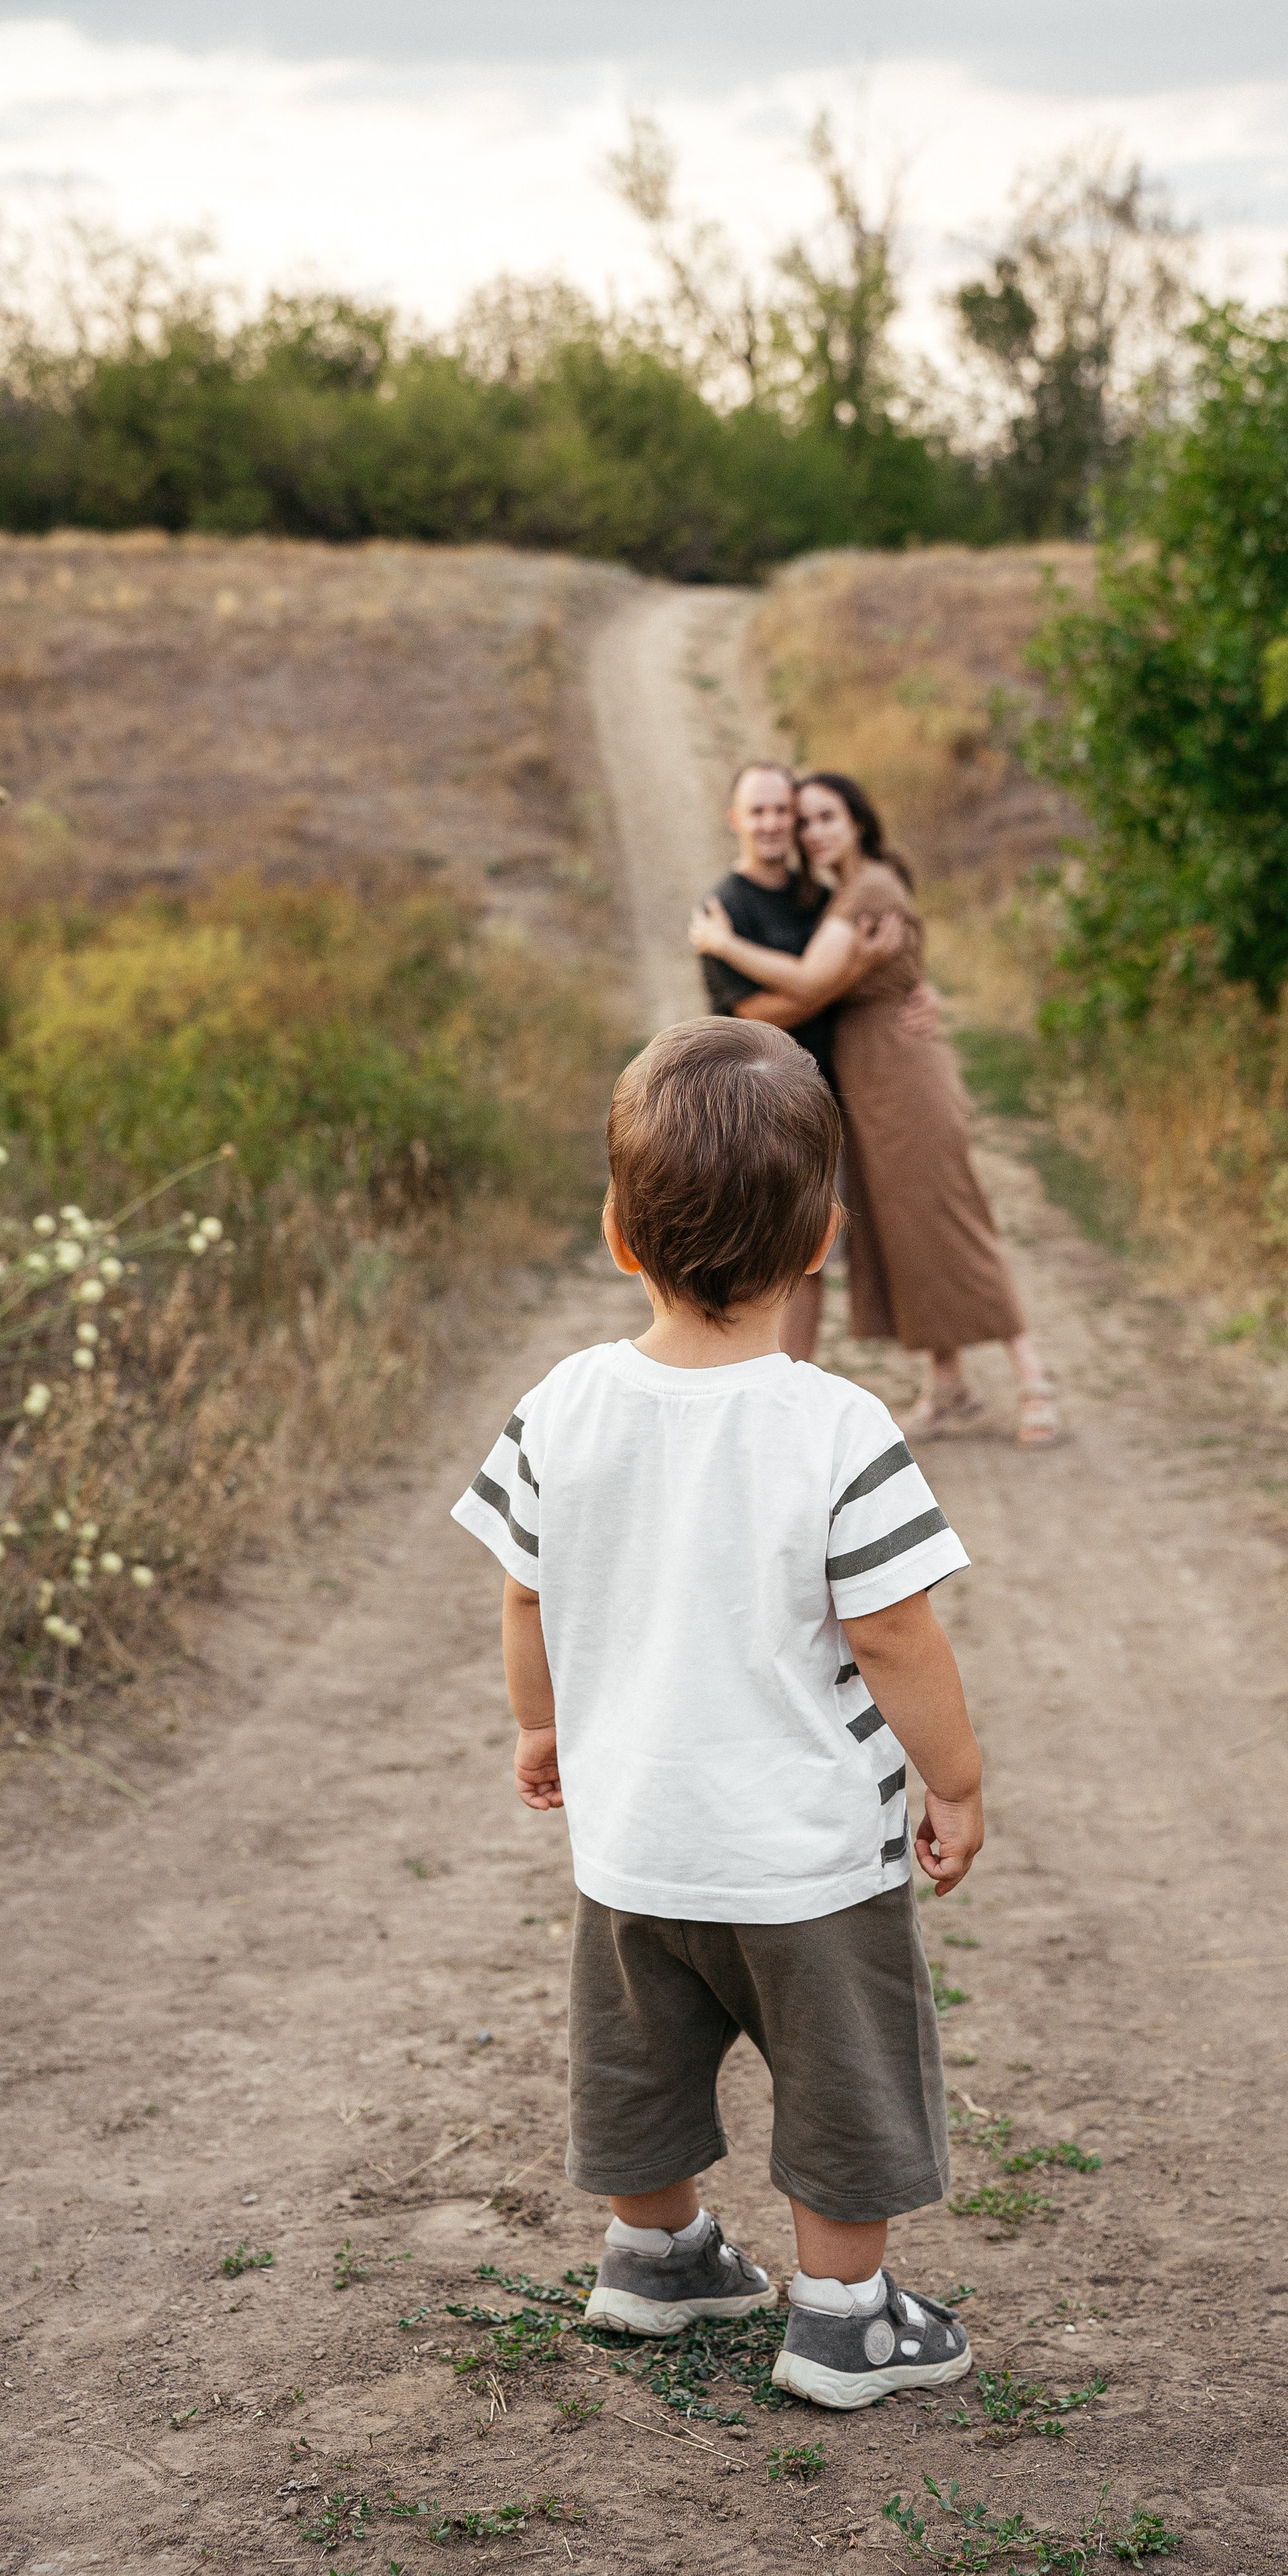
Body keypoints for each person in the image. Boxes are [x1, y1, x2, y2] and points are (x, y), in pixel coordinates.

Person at [451, 1016, 983, 2411]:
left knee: (635, 2057)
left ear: (618, 1235)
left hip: (632, 1841)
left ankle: (654, 2253)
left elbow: (523, 1598)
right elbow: (886, 1628)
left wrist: (539, 1730)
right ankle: (843, 2318)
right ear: (823, 1237)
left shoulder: (561, 1406)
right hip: (804, 1852)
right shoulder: (834, 1426)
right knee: (840, 2073)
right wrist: (959, 1781)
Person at [690, 771, 1059, 1448]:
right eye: (804, 822)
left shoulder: (866, 891)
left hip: (899, 1075)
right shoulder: (826, 895)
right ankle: (947, 1384)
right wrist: (876, 977)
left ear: (858, 822)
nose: (809, 832)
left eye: (823, 818)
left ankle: (1034, 1381)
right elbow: (830, 984)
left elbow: (811, 981)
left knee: (951, 1218)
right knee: (904, 1232)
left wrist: (723, 946)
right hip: (864, 1086)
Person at [698, 761, 928, 1363]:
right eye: (760, 812)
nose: (775, 824)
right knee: (752, 1258)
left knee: (810, 1257)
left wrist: (918, 995)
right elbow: (760, 1016)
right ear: (735, 821)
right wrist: (854, 969)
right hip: (755, 1101)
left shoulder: (820, 898)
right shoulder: (725, 911)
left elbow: (858, 985)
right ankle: (739, 1376)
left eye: (785, 813)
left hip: (826, 1100)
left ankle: (790, 1381)